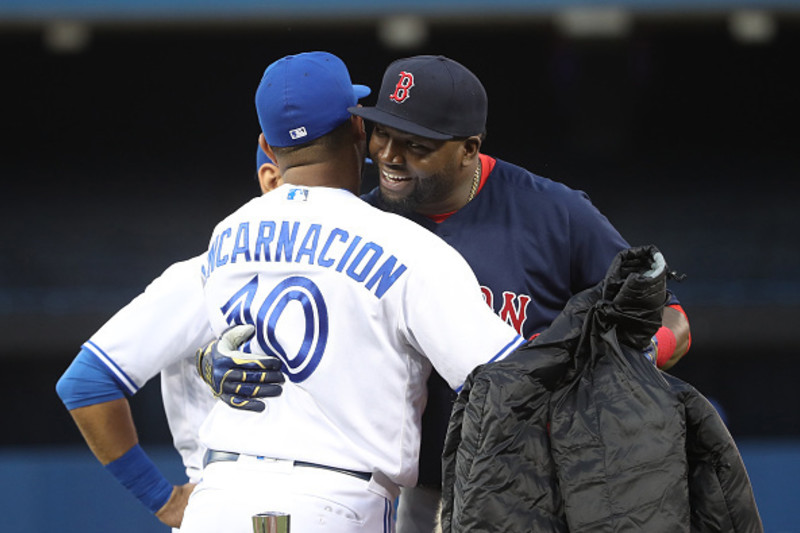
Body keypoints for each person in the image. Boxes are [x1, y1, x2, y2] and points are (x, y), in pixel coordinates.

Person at [177, 51, 526, 533]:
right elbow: (505, 379)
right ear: (359, 132)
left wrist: (205, 360)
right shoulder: (405, 245)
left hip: (217, 497)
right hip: (335, 500)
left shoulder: (225, 236)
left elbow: (214, 350)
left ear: (266, 146)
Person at [344, 55, 692, 532]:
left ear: (468, 149)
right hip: (412, 493)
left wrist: (634, 362)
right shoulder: (361, 227)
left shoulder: (553, 213)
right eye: (382, 133)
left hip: (533, 489)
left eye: (415, 145)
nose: (388, 155)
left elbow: (671, 316)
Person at [55, 147, 283, 530]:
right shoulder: (204, 277)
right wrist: (164, 498)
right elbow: (86, 383)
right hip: (231, 502)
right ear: (272, 180)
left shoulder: (349, 280)